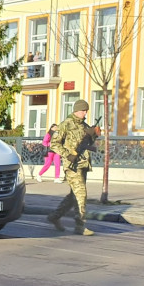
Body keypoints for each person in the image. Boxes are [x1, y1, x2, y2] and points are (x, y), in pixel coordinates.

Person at [47, 99, 96, 235]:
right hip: (72, 166)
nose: (85, 113)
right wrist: (67, 155)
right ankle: (80, 225)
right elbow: (54, 143)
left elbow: (87, 144)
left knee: (73, 196)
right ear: (76, 110)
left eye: (86, 110)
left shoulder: (84, 125)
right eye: (83, 110)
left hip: (83, 164)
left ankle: (54, 216)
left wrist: (93, 135)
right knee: (81, 194)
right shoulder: (66, 124)